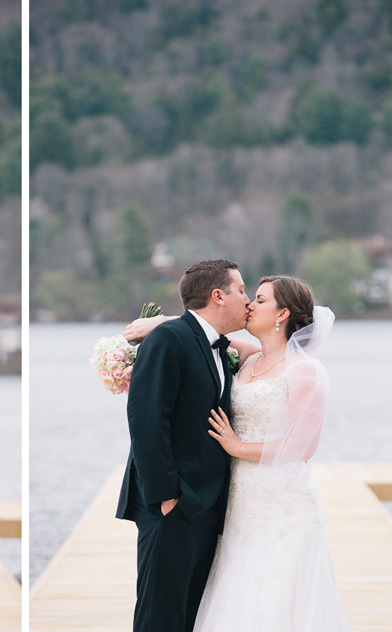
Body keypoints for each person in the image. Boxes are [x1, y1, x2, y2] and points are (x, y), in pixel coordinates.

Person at [129, 275, 351, 631]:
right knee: (236, 589)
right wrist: (161, 322)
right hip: (238, 500)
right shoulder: (247, 359)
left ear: (283, 314)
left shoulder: (305, 371)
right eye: (250, 295)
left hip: (282, 501)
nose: (249, 304)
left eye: (260, 300)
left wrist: (237, 447)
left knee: (277, 592)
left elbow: (304, 446)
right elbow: (200, 330)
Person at [116, 259, 251, 632]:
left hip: (205, 506)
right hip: (172, 505)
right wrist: (165, 498)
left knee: (188, 616)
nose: (248, 299)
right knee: (160, 618)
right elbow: (145, 420)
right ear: (218, 296)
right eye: (242, 290)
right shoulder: (168, 339)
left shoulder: (219, 348)